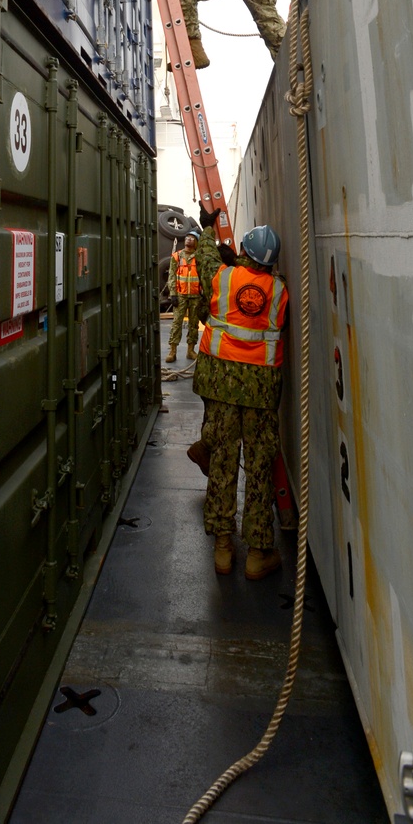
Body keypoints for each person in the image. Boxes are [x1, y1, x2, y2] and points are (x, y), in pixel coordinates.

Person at [190, 209, 288, 579]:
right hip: (261, 393)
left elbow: (205, 257)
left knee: (222, 462)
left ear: (243, 251)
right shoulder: (280, 291)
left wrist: (208, 226)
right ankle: (258, 554)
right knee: (259, 469)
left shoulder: (223, 277)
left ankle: (223, 549)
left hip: (221, 384)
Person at [166, 228, 205, 363]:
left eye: (193, 237)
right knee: (176, 323)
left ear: (196, 242)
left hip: (195, 296)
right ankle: (172, 351)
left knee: (194, 324)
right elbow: (171, 275)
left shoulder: (199, 258)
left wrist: (203, 294)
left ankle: (190, 351)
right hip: (181, 295)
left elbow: (203, 276)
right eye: (188, 237)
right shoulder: (177, 256)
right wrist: (173, 294)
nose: (189, 239)